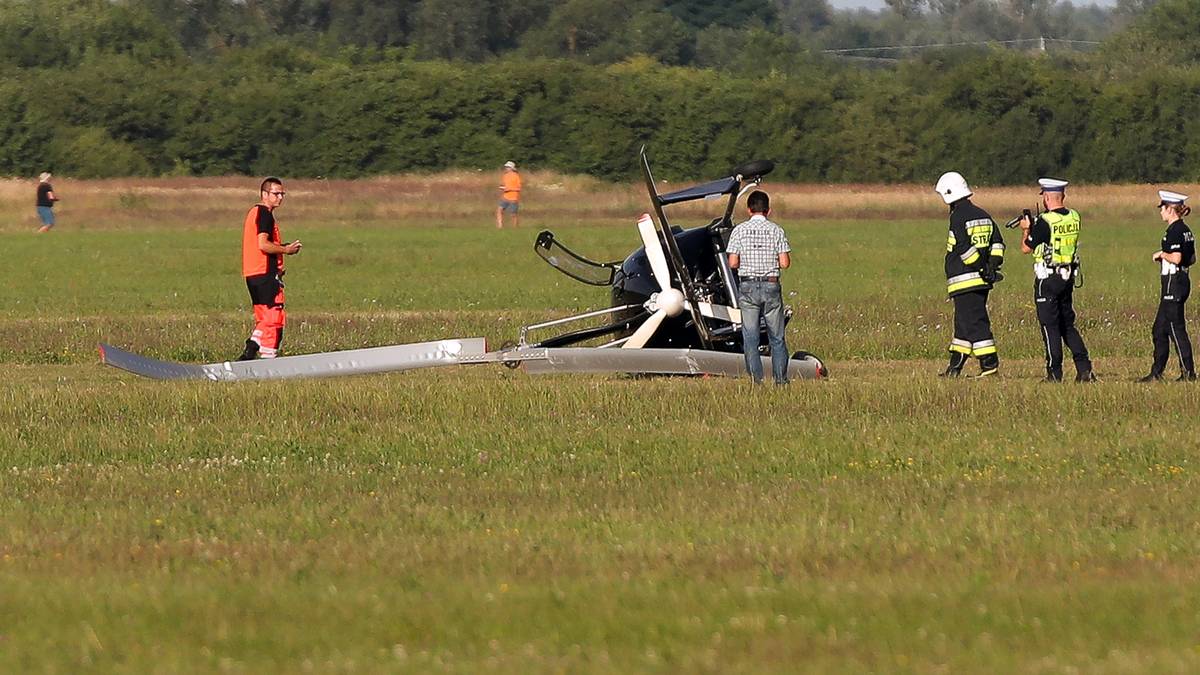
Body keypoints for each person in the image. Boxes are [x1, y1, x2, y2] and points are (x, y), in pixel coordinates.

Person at [1018, 177, 1095, 382]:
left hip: (1048, 278)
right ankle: (1084, 368)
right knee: (1067, 325)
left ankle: (1054, 372)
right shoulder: (1074, 217)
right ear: (1063, 196)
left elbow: (1026, 248)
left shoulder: (1046, 221)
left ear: (1046, 197)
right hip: (1067, 277)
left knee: (1049, 326)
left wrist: (1027, 228)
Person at [934, 171, 1004, 377]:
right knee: (963, 325)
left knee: (975, 323)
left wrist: (980, 266)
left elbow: (964, 248)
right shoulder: (983, 214)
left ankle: (989, 365)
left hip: (965, 280)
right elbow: (998, 243)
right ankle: (955, 367)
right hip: (981, 281)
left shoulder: (958, 217)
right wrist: (992, 265)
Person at [727, 190, 791, 384]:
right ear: (768, 210)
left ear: (749, 209)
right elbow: (785, 262)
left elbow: (732, 263)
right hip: (771, 285)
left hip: (748, 286)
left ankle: (757, 381)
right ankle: (780, 380)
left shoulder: (739, 231)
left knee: (751, 337)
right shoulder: (777, 230)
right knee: (777, 337)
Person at [237, 177, 302, 361]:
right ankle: (268, 358)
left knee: (264, 318)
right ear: (264, 194)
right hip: (263, 273)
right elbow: (263, 244)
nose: (280, 197)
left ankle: (251, 347)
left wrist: (278, 264)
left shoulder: (253, 212)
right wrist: (286, 250)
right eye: (276, 193)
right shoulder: (264, 213)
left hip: (252, 273)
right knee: (274, 316)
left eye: (282, 194)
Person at [1140, 190, 1196, 382]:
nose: (1160, 212)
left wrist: (1161, 255)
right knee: (1159, 329)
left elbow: (1177, 257)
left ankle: (1188, 373)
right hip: (1181, 281)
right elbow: (1192, 259)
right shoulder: (1186, 230)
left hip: (1174, 282)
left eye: (1162, 208)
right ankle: (1157, 372)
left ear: (1170, 209)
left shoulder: (1174, 231)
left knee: (1175, 328)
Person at [496, 160, 521, 229]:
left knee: (513, 214)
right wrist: (502, 187)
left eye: (508, 167)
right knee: (499, 210)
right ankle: (500, 226)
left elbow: (518, 188)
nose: (506, 168)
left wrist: (509, 189)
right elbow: (504, 185)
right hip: (505, 197)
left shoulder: (516, 176)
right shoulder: (505, 176)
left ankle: (515, 227)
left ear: (512, 168)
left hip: (513, 198)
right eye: (506, 167)